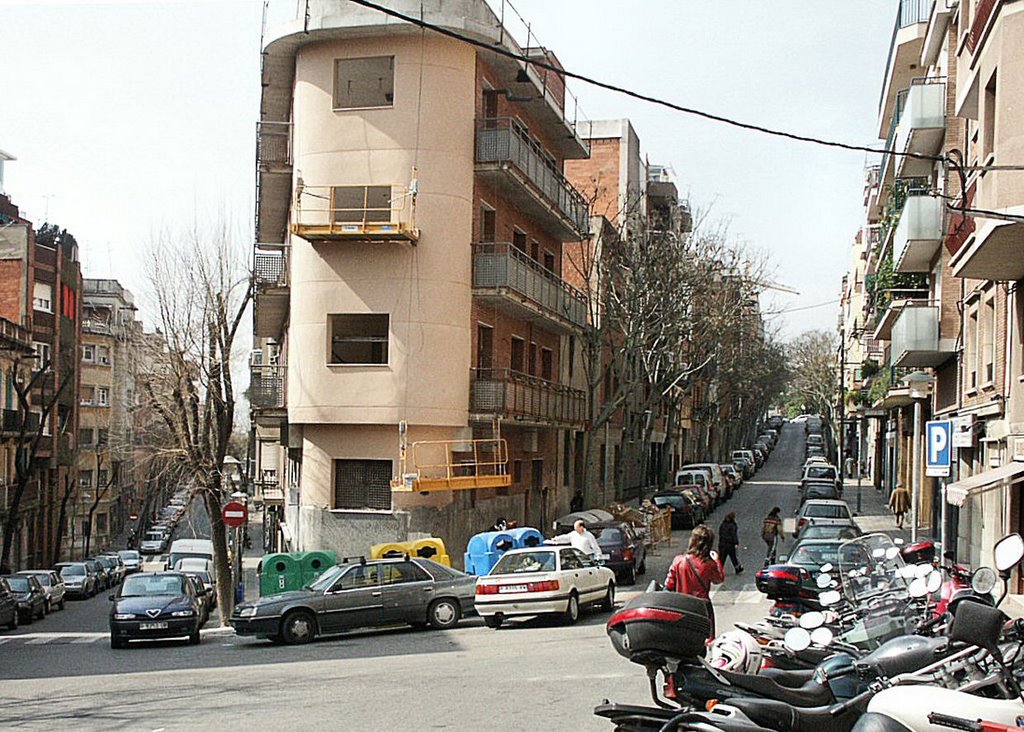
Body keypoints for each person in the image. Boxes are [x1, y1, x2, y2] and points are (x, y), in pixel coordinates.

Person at [665, 525, 725, 639]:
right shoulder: (709, 564)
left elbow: (669, 585)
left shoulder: (678, 560)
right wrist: (717, 559)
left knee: (683, 637)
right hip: (702, 606)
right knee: (705, 639)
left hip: (682, 606)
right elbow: (719, 579)